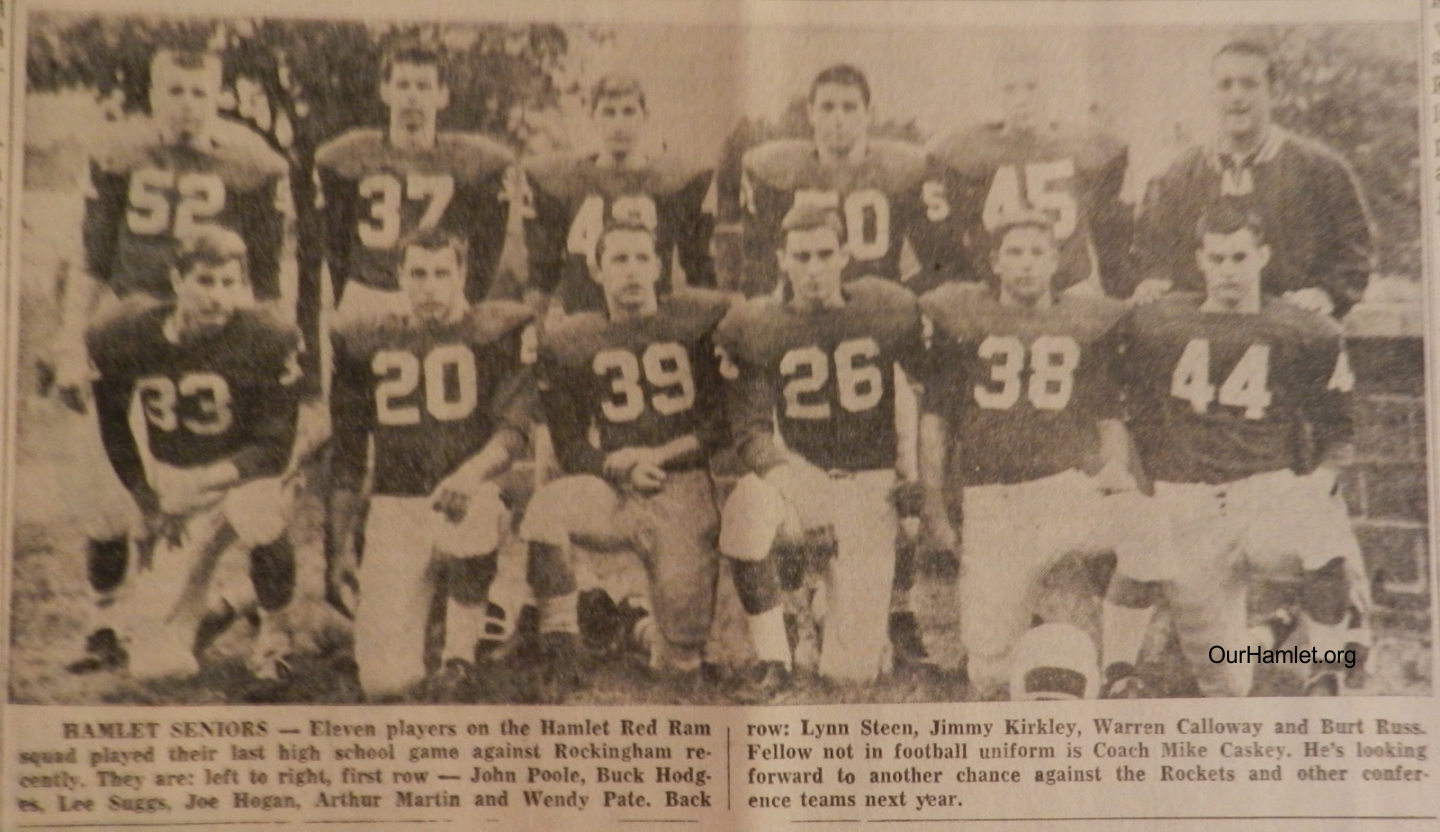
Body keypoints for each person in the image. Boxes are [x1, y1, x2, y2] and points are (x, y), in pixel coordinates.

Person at [59, 46, 297, 673]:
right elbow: (92, 263)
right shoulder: (118, 153)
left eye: (198, 92)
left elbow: (267, 280)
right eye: (174, 91)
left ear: (216, 93)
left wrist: (269, 344)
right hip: (134, 335)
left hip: (218, 337)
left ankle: (260, 613)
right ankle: (104, 620)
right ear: (154, 92)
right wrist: (68, 345)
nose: (186, 105)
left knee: (242, 482)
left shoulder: (251, 162)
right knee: (109, 492)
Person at [1104, 202, 1370, 698]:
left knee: (1322, 531)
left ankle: (1326, 668)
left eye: (1240, 257)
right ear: (1200, 260)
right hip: (1187, 501)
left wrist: (1320, 480)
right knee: (1225, 683)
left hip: (1264, 492)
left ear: (1262, 256)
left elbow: (1340, 428)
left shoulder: (1305, 329)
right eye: (1218, 258)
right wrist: (1128, 477)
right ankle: (1271, 633)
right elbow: (1119, 408)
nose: (1229, 270)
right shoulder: (1156, 323)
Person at [917, 210, 1145, 699]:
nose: (1026, 264)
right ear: (995, 262)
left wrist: (1115, 467)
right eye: (1014, 253)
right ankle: (1046, 606)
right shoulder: (963, 321)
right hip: (993, 500)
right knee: (989, 673)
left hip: (1064, 490)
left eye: (1037, 252)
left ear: (1056, 261)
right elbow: (935, 421)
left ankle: (1122, 666)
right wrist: (934, 504)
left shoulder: (1082, 322)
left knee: (1147, 528)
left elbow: (1109, 416)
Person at [716, 205, 925, 699]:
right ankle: (775, 657)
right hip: (799, 475)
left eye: (825, 255)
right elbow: (749, 431)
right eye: (802, 256)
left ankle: (821, 607)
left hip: (866, 484)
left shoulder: (884, 309)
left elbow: (910, 392)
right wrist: (796, 488)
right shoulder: (761, 324)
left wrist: (908, 475)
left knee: (850, 676)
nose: (814, 268)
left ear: (845, 256)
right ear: (781, 260)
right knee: (745, 508)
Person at [78, 227, 301, 682]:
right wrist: (147, 498)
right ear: (178, 280)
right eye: (205, 281)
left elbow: (275, 447)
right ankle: (234, 600)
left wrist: (201, 484)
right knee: (161, 668)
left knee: (258, 509)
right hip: (174, 481)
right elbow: (115, 428)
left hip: (241, 477)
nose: (218, 296)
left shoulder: (267, 335)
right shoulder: (124, 332)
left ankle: (275, 638)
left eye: (229, 282)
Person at [519, 221, 731, 697]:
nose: (631, 271)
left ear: (659, 266)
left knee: (680, 665)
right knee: (545, 510)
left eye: (641, 258)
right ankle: (560, 644)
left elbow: (721, 425)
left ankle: (635, 626)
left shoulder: (696, 323)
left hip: (682, 486)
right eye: (618, 260)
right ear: (596, 270)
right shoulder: (573, 341)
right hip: (616, 486)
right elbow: (570, 445)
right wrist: (616, 464)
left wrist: (657, 453)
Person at [329, 228, 536, 701]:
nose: (429, 286)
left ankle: (460, 655)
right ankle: (445, 615)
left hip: (467, 494)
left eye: (441, 273)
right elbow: (347, 453)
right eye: (417, 273)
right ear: (400, 276)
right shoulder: (366, 339)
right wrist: (337, 546)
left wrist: (470, 472)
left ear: (462, 274)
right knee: (385, 682)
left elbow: (513, 433)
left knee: (478, 512)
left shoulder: (495, 331)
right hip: (395, 502)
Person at [1129, 40, 1373, 317]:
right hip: (1205, 333)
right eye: (1225, 85)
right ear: (1211, 94)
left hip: (1290, 331)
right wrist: (1153, 281)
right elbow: (1151, 251)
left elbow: (1354, 255)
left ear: (1274, 92)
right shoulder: (1177, 175)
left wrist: (1328, 294)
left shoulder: (1322, 170)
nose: (1237, 96)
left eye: (1249, 84)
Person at [315, 43, 516, 327]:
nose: (412, 96)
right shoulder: (350, 154)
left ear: (442, 95)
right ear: (386, 91)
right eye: (403, 85)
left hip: (442, 297)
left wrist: (469, 297)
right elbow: (335, 241)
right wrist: (342, 293)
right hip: (372, 293)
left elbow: (488, 246)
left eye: (423, 86)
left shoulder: (472, 160)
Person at [918, 49, 1129, 296]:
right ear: (996, 93)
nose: (1022, 99)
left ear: (1050, 90)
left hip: (1069, 289)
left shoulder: (1085, 146)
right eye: (1010, 89)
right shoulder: (966, 151)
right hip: (997, 293)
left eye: (1031, 87)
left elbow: (1111, 230)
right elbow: (948, 233)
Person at [524, 72, 716, 315]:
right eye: (609, 112)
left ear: (645, 117)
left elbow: (701, 274)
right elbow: (541, 278)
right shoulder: (565, 182)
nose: (619, 125)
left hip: (652, 326)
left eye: (628, 112)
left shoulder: (672, 182)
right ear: (592, 116)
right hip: (583, 325)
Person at [737, 64, 927, 297]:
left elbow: (928, 262)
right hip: (801, 310)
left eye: (849, 108)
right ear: (810, 114)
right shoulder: (775, 171)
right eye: (827, 108)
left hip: (878, 307)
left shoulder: (904, 169)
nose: (838, 119)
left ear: (868, 114)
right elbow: (758, 265)